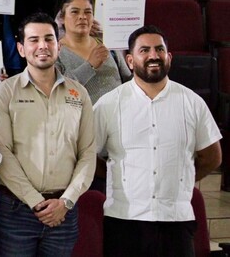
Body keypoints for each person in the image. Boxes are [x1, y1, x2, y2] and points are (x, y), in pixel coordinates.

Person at [94, 26, 222, 257]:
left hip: (176, 218)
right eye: (145, 50)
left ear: (169, 57)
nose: (153, 55)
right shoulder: (108, 104)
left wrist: (181, 179)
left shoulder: (192, 102)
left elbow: (212, 157)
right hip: (124, 219)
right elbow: (88, 155)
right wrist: (116, 176)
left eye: (159, 49)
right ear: (130, 61)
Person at [0, 12, 96, 256]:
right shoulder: (5, 93)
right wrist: (35, 200)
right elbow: (0, 153)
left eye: (49, 39)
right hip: (16, 212)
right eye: (34, 40)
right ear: (21, 49)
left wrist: (66, 201)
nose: (42, 46)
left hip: (64, 213)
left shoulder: (79, 94)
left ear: (59, 45)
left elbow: (88, 153)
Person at [55, 0, 130, 105]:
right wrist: (89, 66)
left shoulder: (109, 47)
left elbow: (129, 82)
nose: (82, 17)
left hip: (118, 116)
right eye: (75, 12)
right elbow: (58, 90)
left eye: (88, 12)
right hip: (83, 119)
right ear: (61, 18)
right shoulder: (56, 52)